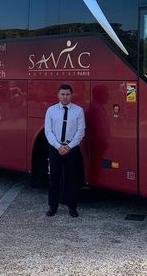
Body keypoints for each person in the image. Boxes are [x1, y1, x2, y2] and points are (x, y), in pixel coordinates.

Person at [44, 84, 86, 218]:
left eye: (67, 94)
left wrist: (68, 146)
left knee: (72, 179)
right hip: (55, 148)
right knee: (53, 179)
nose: (65, 97)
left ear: (71, 95)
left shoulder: (78, 111)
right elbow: (48, 131)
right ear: (58, 95)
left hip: (72, 149)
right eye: (62, 94)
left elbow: (81, 131)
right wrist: (58, 146)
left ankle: (72, 207)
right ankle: (52, 207)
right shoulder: (51, 110)